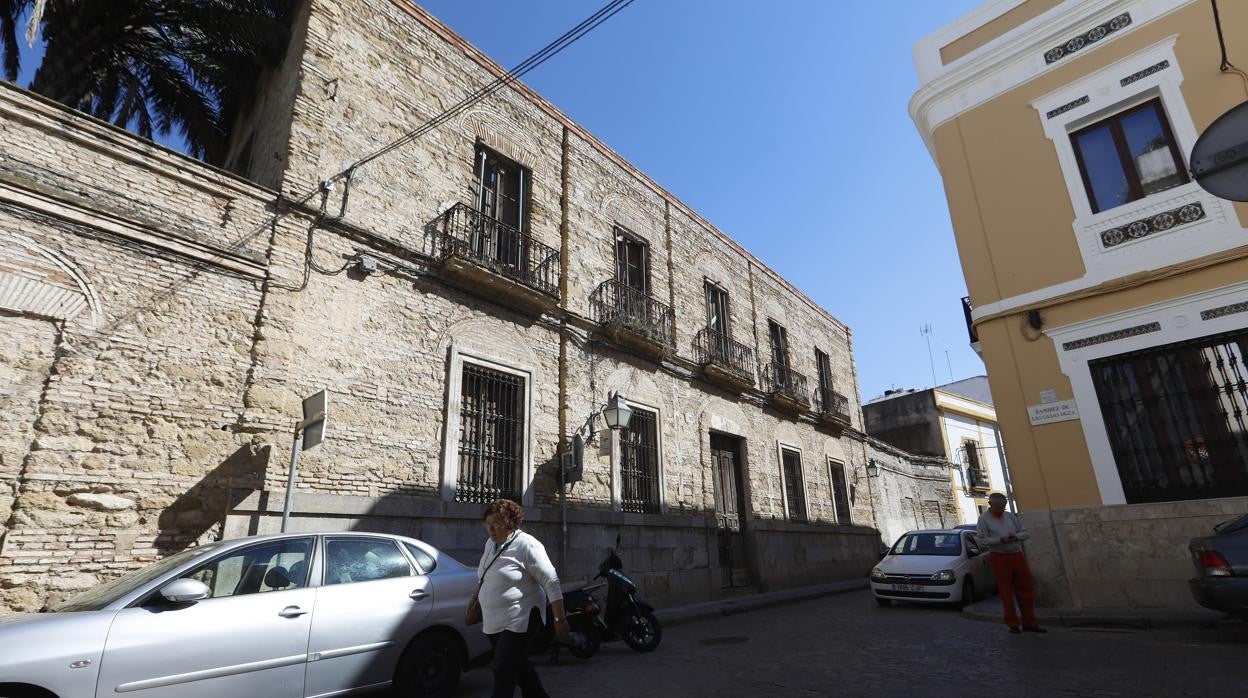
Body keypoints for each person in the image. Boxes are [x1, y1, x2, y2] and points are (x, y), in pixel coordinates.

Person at [478, 499, 569, 697]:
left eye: (496, 524)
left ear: (509, 523)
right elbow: (484, 575)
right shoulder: (490, 544)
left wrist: (559, 619)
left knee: (503, 669)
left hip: (521, 617)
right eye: (487, 524)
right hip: (494, 621)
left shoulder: (527, 545)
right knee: (519, 667)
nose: (490, 530)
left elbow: (551, 581)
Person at [976, 492, 1046, 634]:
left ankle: (1029, 622)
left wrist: (1015, 536)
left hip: (1016, 554)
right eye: (998, 507)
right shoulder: (983, 519)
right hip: (999, 556)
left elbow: (1025, 533)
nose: (1001, 510)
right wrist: (1000, 540)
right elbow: (982, 540)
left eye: (1003, 507)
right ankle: (1012, 624)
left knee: (1026, 588)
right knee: (1005, 591)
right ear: (990, 504)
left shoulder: (1010, 516)